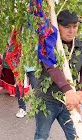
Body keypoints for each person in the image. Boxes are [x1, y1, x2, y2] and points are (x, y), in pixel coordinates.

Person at [34, 10, 82, 140]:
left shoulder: (79, 46)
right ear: (57, 26)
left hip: (69, 102)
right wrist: (69, 91)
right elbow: (51, 67)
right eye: (67, 27)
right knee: (41, 135)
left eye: (74, 26)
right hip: (47, 100)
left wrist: (79, 92)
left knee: (76, 135)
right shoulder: (48, 44)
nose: (71, 31)